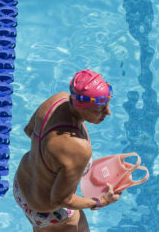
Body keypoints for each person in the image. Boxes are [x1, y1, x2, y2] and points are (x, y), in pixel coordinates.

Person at [13, 70, 120, 230]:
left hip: (21, 188)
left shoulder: (57, 101)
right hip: (48, 210)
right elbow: (61, 199)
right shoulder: (77, 148)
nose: (108, 112)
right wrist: (100, 201)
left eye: (107, 104)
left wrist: (52, 165)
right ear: (81, 106)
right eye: (99, 109)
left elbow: (29, 130)